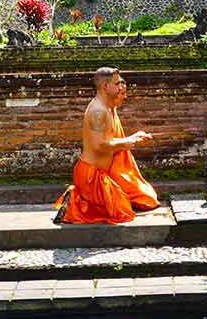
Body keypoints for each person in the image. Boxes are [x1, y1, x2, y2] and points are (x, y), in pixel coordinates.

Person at [54, 67, 160, 224]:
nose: (121, 87)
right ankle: (74, 202)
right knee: (122, 213)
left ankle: (81, 199)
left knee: (143, 200)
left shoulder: (108, 108)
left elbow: (108, 139)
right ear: (105, 86)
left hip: (101, 173)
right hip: (91, 176)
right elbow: (99, 145)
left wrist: (133, 138)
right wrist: (127, 143)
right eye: (117, 84)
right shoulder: (99, 111)